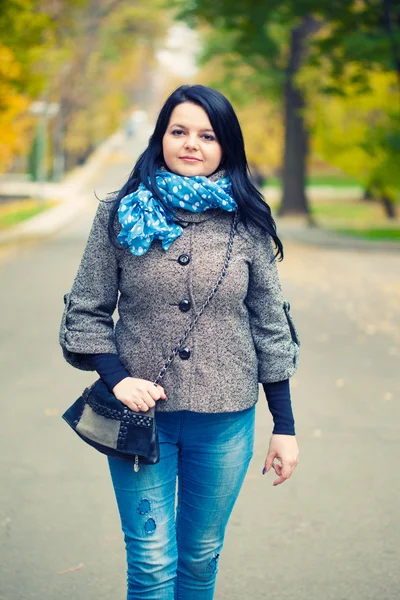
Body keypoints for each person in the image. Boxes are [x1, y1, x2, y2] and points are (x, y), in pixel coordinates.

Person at [59, 84, 301, 600]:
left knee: (199, 558)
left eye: (207, 135)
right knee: (150, 563)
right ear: (161, 137)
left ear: (225, 147)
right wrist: (118, 380)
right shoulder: (120, 213)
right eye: (179, 131)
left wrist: (285, 425)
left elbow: (270, 325)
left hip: (226, 419)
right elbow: (86, 310)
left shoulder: (247, 218)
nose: (192, 144)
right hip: (139, 420)